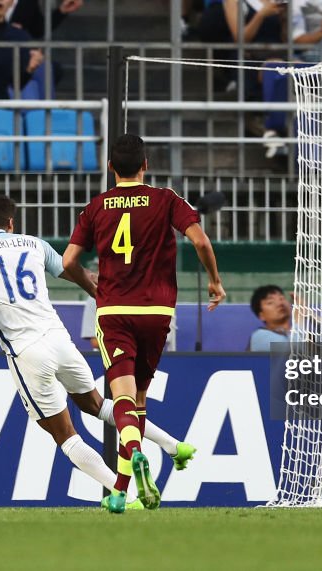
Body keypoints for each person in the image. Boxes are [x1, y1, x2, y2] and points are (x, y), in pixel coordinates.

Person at [0, 194, 196, 512]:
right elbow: (73, 269)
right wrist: (100, 295)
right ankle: (174, 446)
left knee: (64, 435)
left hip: (27, 352)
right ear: (12, 223)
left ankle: (127, 495)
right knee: (97, 405)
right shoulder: (34, 244)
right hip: (60, 339)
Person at [63, 134, 225, 514]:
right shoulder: (166, 199)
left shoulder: (97, 206)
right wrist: (215, 280)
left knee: (120, 399)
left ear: (110, 168)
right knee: (137, 402)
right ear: (145, 164)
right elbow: (200, 241)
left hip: (115, 311)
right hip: (157, 313)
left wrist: (92, 287)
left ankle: (135, 457)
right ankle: (121, 492)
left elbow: (69, 261)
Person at [248, 285, 291, 351]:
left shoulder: (305, 334)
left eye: (281, 298)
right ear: (261, 316)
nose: (280, 303)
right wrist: (299, 319)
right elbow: (294, 351)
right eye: (270, 302)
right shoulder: (259, 336)